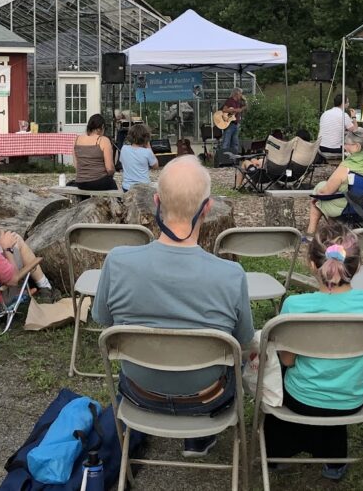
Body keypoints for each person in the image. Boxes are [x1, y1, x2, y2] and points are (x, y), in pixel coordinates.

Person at [93, 155, 254, 458]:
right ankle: (198, 438)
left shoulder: (117, 262)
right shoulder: (231, 275)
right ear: (207, 208)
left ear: (156, 203)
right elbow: (243, 342)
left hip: (139, 393)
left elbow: (102, 318)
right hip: (207, 398)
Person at [264, 222, 363, 481]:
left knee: (279, 381)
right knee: (330, 390)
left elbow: (287, 360)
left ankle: (277, 455)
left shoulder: (295, 306)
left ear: (312, 264)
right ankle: (334, 463)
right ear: (358, 265)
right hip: (351, 400)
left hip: (301, 398)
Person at [307, 129, 363, 236]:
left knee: (318, 198)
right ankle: (338, 231)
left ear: (357, 146)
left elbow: (326, 192)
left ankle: (310, 233)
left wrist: (317, 194)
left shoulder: (347, 166)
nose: (344, 147)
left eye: (346, 144)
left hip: (350, 209)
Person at [70, 114, 117, 191]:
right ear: (102, 127)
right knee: (112, 183)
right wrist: (110, 174)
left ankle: (83, 199)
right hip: (98, 181)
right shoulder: (103, 140)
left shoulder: (77, 139)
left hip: (81, 182)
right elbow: (109, 168)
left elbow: (76, 165)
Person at [120, 123, 158, 192]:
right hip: (143, 187)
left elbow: (122, 162)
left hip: (127, 187)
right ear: (146, 138)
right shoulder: (147, 152)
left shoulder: (124, 149)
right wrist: (149, 147)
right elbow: (155, 166)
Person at [219, 88, 247, 154]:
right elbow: (224, 110)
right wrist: (235, 110)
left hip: (236, 124)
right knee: (226, 142)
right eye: (240, 93)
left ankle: (234, 157)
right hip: (229, 124)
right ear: (236, 94)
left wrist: (244, 106)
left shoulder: (238, 102)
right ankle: (224, 157)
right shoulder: (230, 101)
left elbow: (242, 109)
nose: (241, 95)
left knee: (235, 143)